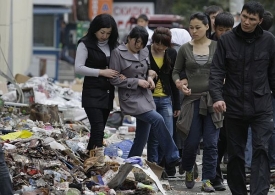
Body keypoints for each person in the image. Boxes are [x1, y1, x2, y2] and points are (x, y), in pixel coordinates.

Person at [209, 2, 275, 195]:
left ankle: (258, 192)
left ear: (260, 21)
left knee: (261, 149)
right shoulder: (227, 40)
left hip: (261, 105)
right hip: (233, 104)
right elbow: (216, 71)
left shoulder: (269, 41)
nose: (246, 22)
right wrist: (217, 97)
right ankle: (239, 192)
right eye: (244, 17)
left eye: (252, 19)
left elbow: (273, 74)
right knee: (236, 154)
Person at [109, 25, 181, 167]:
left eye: (141, 44)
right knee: (157, 119)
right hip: (131, 97)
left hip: (146, 95)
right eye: (135, 42)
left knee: (142, 138)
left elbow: (146, 70)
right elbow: (114, 78)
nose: (138, 46)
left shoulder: (143, 52)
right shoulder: (118, 53)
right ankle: (173, 155)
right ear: (129, 38)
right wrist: (137, 82)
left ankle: (129, 167)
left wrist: (148, 78)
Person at [172, 12, 223, 192]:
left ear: (207, 27)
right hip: (191, 100)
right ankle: (188, 168)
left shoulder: (218, 46)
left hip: (213, 101)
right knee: (191, 141)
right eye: (191, 27)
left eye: (198, 27)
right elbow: (176, 71)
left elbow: (226, 69)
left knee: (211, 142)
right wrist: (179, 83)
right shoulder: (185, 48)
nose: (193, 31)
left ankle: (208, 180)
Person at [74, 14, 119, 158]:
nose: (104, 36)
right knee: (98, 129)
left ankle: (88, 160)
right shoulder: (85, 43)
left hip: (107, 93)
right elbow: (79, 68)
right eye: (102, 32)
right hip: (92, 93)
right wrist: (101, 72)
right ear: (95, 29)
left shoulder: (113, 45)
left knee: (97, 130)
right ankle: (98, 163)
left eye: (108, 33)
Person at [146, 27, 180, 177]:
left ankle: (160, 165)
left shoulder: (172, 53)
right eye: (157, 44)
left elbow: (173, 80)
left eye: (164, 45)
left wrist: (177, 104)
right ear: (153, 41)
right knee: (153, 136)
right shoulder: (145, 52)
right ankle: (153, 167)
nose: (160, 47)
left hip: (166, 98)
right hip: (149, 99)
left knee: (168, 133)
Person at [245, 10, 275, 171]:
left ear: (259, 22)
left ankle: (250, 164)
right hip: (265, 94)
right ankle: (268, 164)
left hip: (257, 94)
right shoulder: (270, 41)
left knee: (253, 130)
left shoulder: (265, 42)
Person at [209, 11, 234, 191]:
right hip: (210, 95)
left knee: (224, 138)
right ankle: (214, 175)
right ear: (214, 28)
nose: (223, 33)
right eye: (220, 29)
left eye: (228, 30)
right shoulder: (209, 44)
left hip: (230, 97)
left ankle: (217, 173)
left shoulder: (236, 43)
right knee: (213, 138)